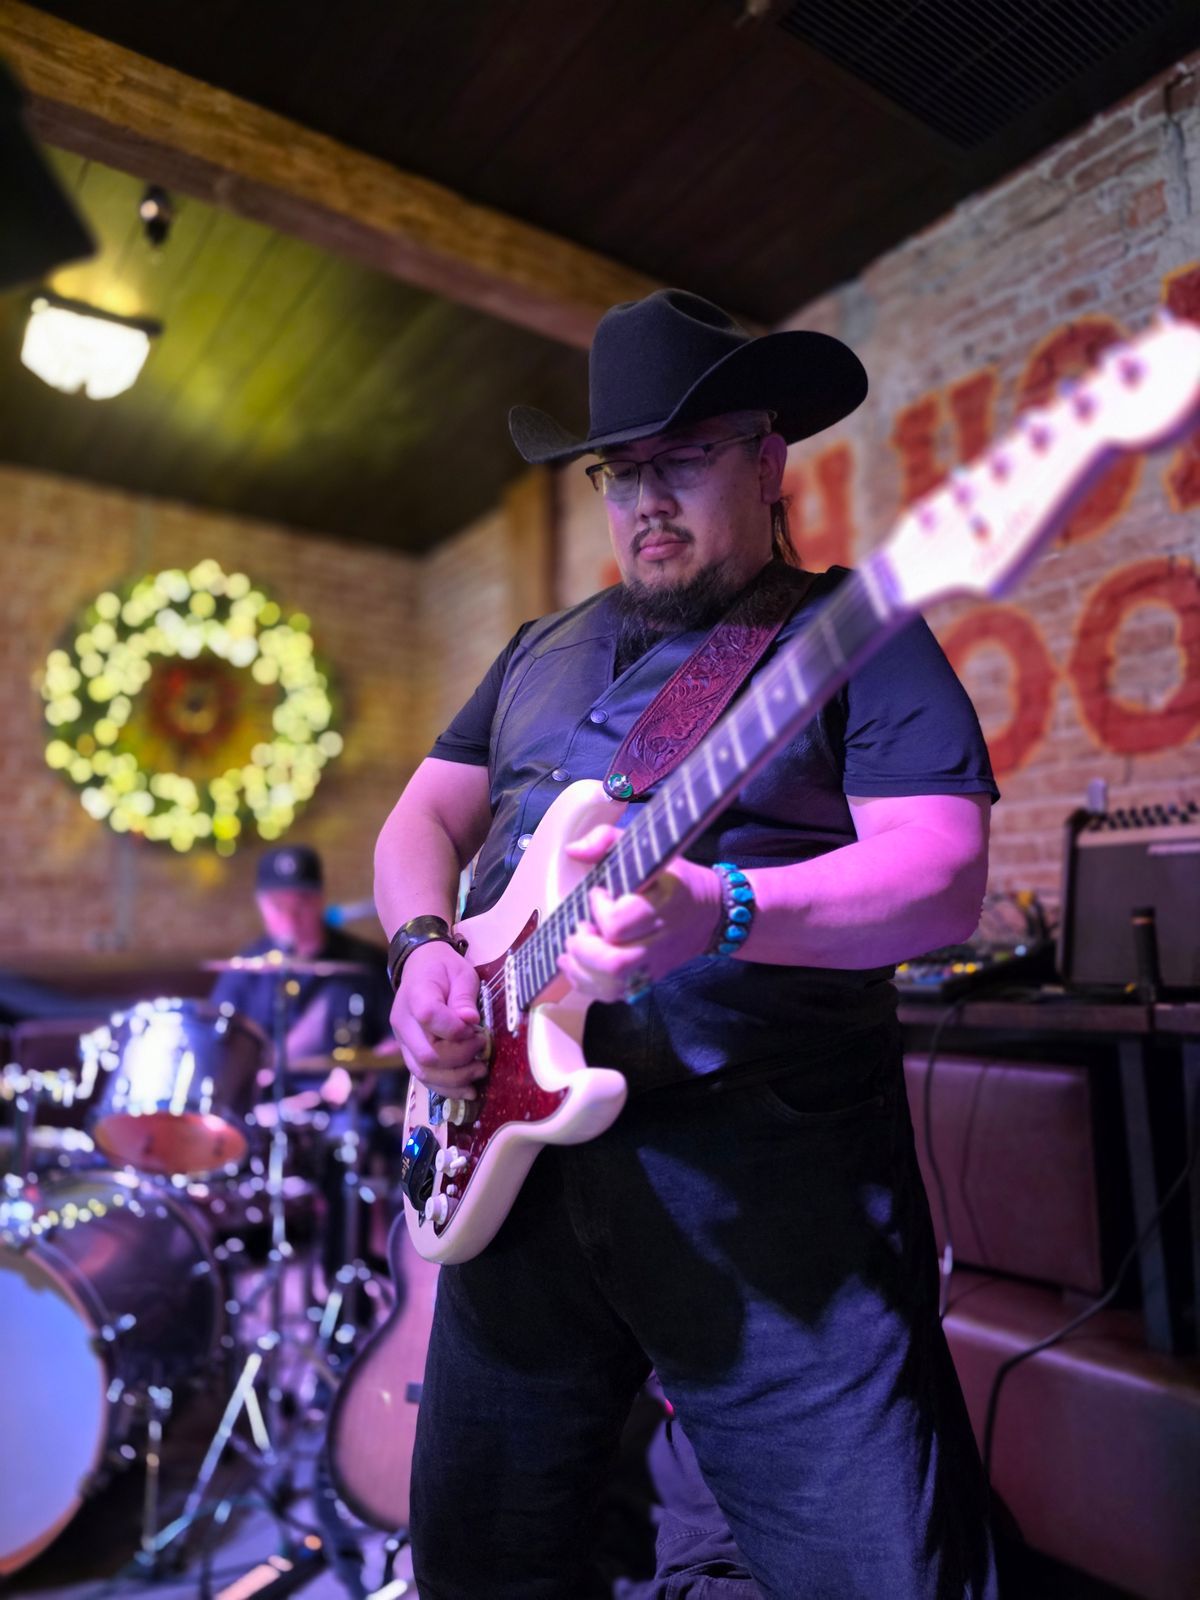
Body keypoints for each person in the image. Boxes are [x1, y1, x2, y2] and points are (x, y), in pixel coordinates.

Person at [375, 288, 1000, 1599]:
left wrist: (723, 910)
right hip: (511, 1183)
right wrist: (424, 948)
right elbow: (421, 819)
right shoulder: (538, 650)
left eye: (684, 459)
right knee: (480, 1562)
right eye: (620, 471)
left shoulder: (857, 630)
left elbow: (940, 876)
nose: (645, 499)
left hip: (769, 1203)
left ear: (769, 461)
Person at [210, 843, 395, 1087]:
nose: (291, 916)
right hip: (264, 1103)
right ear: (261, 905)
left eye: (302, 902)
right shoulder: (243, 971)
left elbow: (397, 1039)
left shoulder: (366, 963)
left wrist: (370, 1072)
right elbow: (218, 1046)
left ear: (320, 900)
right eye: (278, 905)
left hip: (349, 1104)